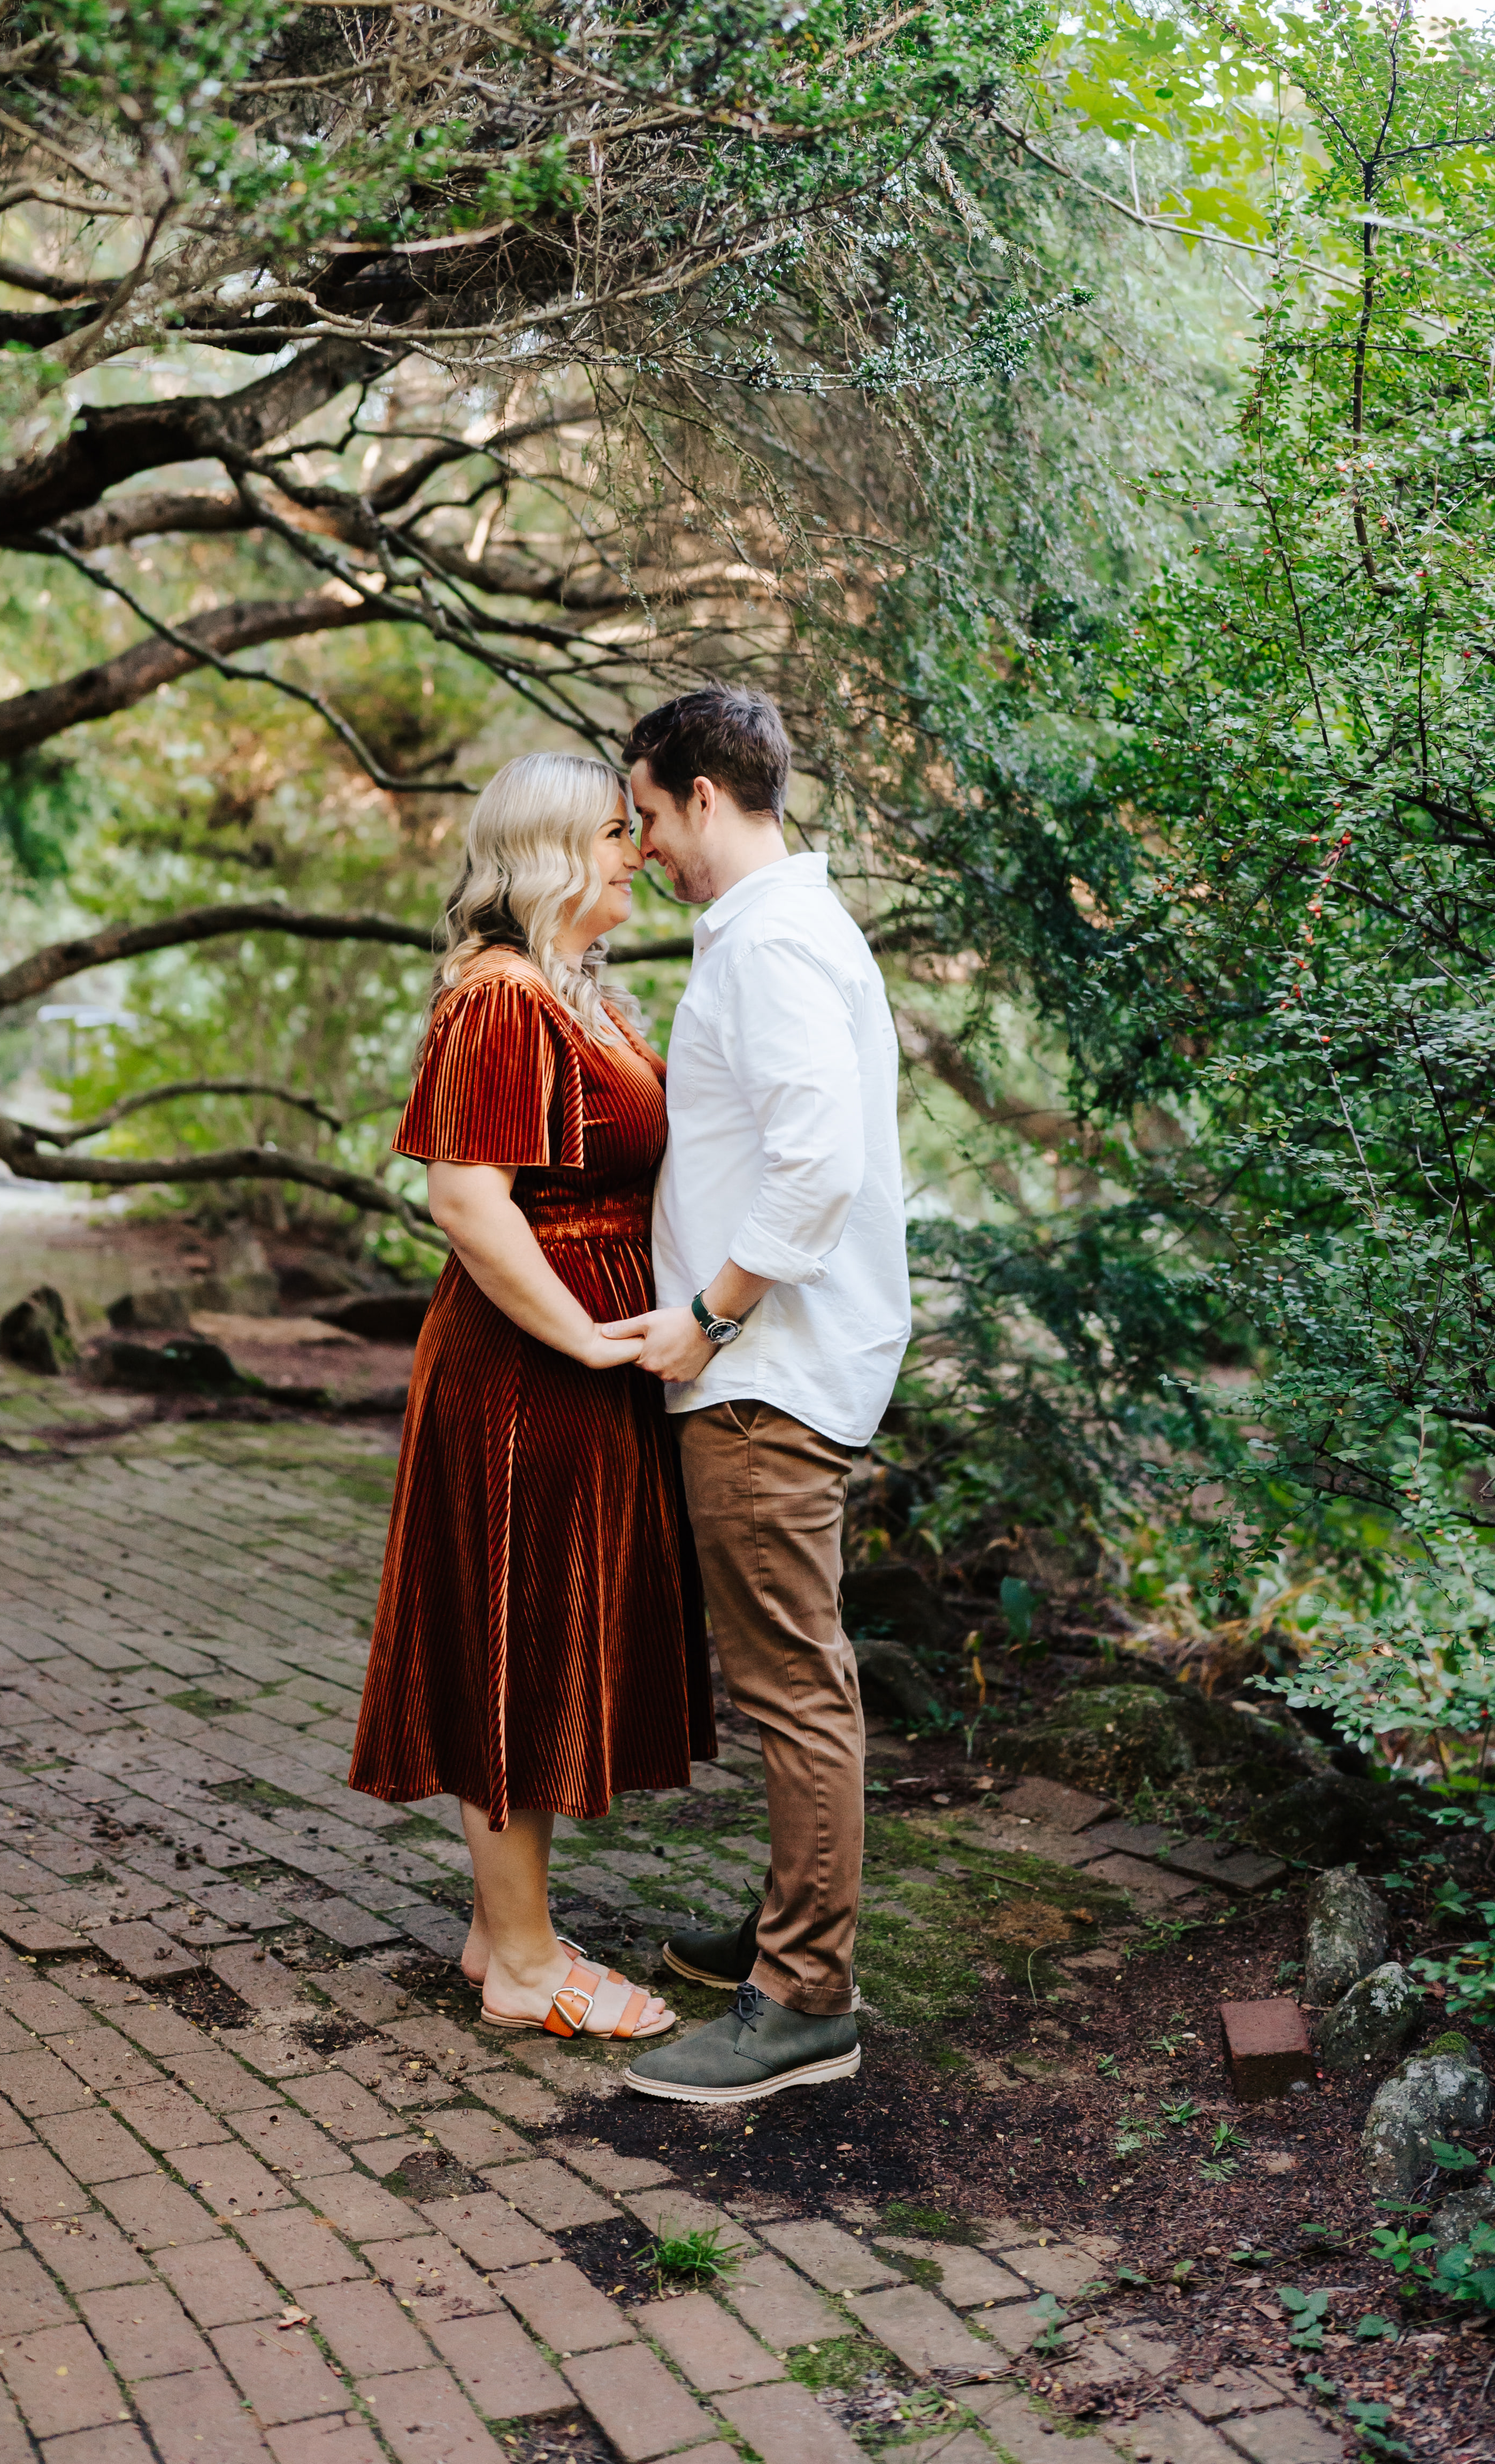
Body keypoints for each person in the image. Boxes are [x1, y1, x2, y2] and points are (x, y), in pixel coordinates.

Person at [348, 752, 710, 2042]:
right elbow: (463, 1200)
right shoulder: (501, 999)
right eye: (616, 834)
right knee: (512, 1635)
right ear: (552, 850)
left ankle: (499, 1926)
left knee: (544, 1629)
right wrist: (587, 1342)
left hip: (578, 1348)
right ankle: (522, 1967)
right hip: (525, 1364)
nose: (637, 852)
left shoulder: (577, 993)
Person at [601, 684, 910, 2101]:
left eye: (650, 815)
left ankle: (804, 1999)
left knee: (795, 1686)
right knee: (791, 1674)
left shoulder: (774, 943)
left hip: (767, 1373)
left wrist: (711, 1320)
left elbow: (820, 1162)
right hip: (768, 1370)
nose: (645, 844)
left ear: (706, 799)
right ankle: (788, 1933)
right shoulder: (776, 933)